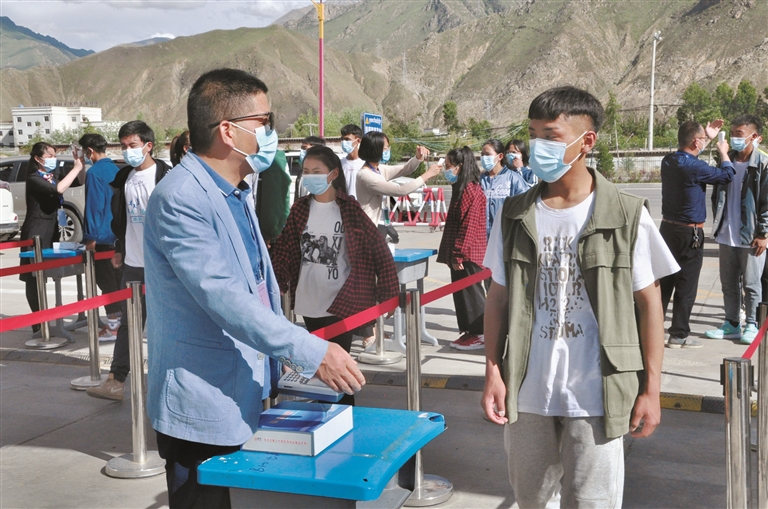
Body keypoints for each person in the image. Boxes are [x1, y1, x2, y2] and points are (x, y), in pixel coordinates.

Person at [143, 68, 364, 508]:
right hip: (204, 407)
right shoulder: (181, 198)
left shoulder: (236, 192)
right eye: (264, 122)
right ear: (228, 131)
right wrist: (311, 351)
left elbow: (257, 288)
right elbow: (224, 297)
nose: (271, 133)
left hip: (246, 391)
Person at [481, 86, 679, 508]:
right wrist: (493, 372)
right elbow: (497, 299)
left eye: (550, 136)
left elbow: (650, 305)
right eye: (533, 134)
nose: (536, 146)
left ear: (586, 141)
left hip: (598, 393)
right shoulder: (513, 215)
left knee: (592, 502)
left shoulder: (627, 215)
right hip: (527, 391)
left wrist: (651, 390)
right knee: (530, 498)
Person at [271, 145, 399, 404]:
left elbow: (378, 248)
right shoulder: (300, 209)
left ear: (333, 174)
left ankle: (344, 412)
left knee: (339, 368)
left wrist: (388, 292)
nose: (310, 177)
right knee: (320, 368)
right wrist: (276, 284)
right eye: (306, 171)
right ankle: (326, 414)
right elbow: (284, 249)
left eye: (316, 171)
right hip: (309, 301)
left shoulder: (349, 208)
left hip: (341, 302)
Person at [86, 121, 172, 401]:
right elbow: (122, 218)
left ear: (148, 146)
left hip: (162, 266)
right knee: (128, 324)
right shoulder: (124, 178)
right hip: (134, 265)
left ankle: (167, 385)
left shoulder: (167, 177)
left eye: (132, 145)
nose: (127, 151)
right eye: (123, 146)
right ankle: (116, 380)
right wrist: (121, 249)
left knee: (165, 326)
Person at [660, 120, 734, 349]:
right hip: (689, 232)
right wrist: (723, 152)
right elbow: (727, 175)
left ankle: (651, 330)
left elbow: (691, 154)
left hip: (667, 230)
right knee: (686, 285)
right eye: (701, 139)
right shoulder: (695, 167)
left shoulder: (668, 160)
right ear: (695, 141)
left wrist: (707, 138)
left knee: (664, 282)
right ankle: (678, 334)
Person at [706, 114, 768, 345]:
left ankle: (751, 324)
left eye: (739, 134)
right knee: (729, 283)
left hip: (751, 235)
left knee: (752, 284)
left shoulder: (763, 163)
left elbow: (767, 202)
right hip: (726, 233)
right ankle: (732, 323)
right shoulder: (727, 160)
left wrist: (763, 233)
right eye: (732, 134)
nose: (734, 138)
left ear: (754, 136)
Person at [19, 142, 84, 333]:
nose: (53, 159)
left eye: (54, 155)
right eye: (49, 155)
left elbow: (79, 180)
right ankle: (38, 322)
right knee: (33, 277)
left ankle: (47, 318)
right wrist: (75, 168)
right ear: (38, 158)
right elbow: (58, 190)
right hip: (36, 230)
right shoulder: (34, 178)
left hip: (52, 228)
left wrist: (80, 164)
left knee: (46, 275)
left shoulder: (52, 176)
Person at [439, 146, 487, 351]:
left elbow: (469, 226)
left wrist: (458, 253)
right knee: (462, 294)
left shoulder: (470, 190)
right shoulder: (461, 188)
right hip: (460, 253)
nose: (446, 169)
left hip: (468, 254)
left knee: (471, 295)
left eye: (448, 165)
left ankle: (480, 333)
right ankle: (470, 330)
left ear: (459, 167)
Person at [80, 133, 123, 341]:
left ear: (89, 151)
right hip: (118, 236)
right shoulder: (116, 170)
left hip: (102, 238)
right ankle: (121, 323)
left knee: (106, 283)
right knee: (118, 282)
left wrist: (90, 238)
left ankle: (113, 324)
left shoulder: (94, 173)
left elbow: (94, 207)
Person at [355, 132, 441, 225]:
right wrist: (427, 174)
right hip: (367, 228)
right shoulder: (366, 176)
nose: (388, 150)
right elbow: (401, 190)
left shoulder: (378, 169)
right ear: (375, 150)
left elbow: (405, 169)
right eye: (385, 148)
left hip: (379, 225)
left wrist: (418, 157)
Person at [480, 139, 529, 240]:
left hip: (505, 236)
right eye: (482, 155)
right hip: (482, 238)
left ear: (500, 156)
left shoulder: (514, 179)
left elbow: (524, 206)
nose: (484, 158)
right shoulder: (479, 180)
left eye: (488, 154)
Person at [295, 136, 326, 200]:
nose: (302, 152)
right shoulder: (301, 173)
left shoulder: (325, 173)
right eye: (302, 148)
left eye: (304, 148)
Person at [340, 124, 365, 199]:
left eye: (347, 139)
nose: (344, 142)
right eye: (342, 139)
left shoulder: (366, 164)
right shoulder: (340, 163)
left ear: (358, 140)